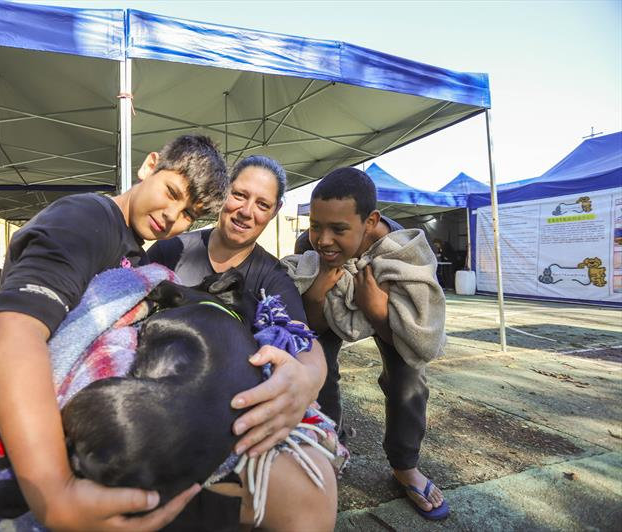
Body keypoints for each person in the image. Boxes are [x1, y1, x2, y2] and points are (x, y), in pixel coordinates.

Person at [0, 135, 229, 531]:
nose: (171, 216)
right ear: (149, 166)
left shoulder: (134, 254)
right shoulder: (87, 219)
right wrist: (52, 492)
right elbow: (13, 330)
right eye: (171, 192)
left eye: (187, 214)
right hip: (25, 458)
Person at [148, 155, 337, 530]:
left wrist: (309, 379)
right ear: (224, 194)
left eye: (262, 204)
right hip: (157, 397)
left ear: (274, 211)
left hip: (224, 413)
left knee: (309, 490)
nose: (246, 211)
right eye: (239, 195)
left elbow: (302, 340)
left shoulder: (272, 276)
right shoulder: (171, 251)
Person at [293, 167, 449, 521]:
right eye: (316, 225)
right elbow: (312, 326)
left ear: (370, 221)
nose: (323, 240)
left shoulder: (402, 251)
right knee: (318, 368)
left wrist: (378, 312)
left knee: (408, 380)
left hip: (385, 309)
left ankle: (405, 465)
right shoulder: (310, 246)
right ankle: (331, 444)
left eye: (338, 229)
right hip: (335, 310)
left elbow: (420, 339)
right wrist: (317, 296)